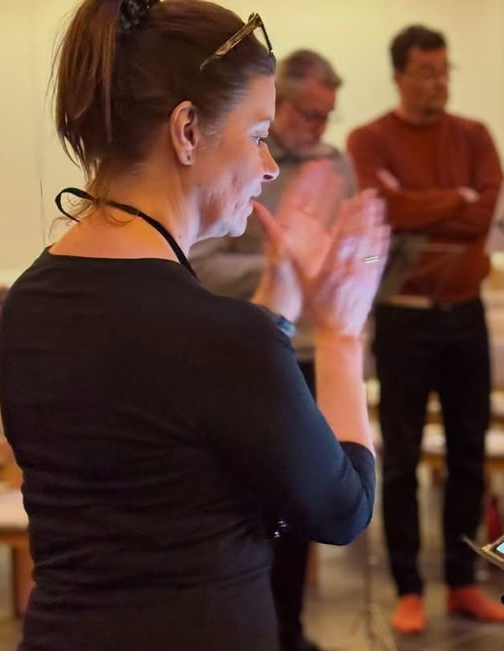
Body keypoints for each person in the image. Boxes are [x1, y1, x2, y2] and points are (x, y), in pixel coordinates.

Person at [0, 2, 389, 650]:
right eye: (257, 134)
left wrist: (281, 292)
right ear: (186, 130)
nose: (269, 165)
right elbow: (342, 508)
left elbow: (183, 422)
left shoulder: (30, 301)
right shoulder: (219, 337)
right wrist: (342, 333)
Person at [346, 24, 504, 634]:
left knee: (469, 453)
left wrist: (427, 204)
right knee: (402, 458)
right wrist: (454, 199)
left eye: (445, 72)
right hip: (404, 318)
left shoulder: (474, 135)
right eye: (426, 73)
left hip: (466, 313)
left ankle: (463, 581)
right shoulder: (369, 140)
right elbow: (383, 212)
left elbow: (490, 210)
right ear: (399, 76)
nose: (439, 83)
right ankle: (409, 587)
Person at [188, 48, 354, 651]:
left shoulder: (336, 164)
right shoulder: (236, 159)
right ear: (280, 104)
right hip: (253, 346)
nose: (319, 127)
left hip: (311, 349)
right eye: (309, 114)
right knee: (256, 509)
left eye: (327, 116)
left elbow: (353, 247)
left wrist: (352, 264)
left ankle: (290, 628)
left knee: (306, 501)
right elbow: (202, 264)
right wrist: (284, 268)